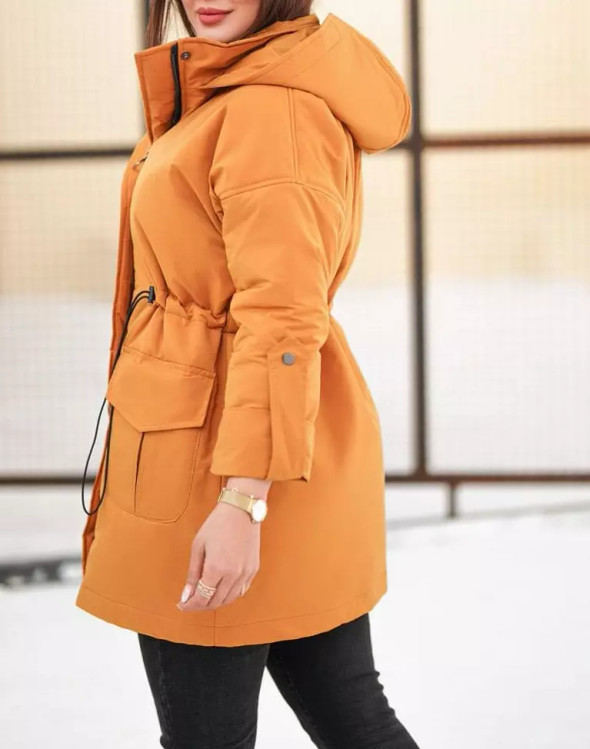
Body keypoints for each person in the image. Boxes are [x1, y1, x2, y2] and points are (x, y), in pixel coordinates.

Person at [76, 1, 420, 746]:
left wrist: (241, 502)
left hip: (218, 470)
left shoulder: (268, 109)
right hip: (229, 444)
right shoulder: (233, 88)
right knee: (352, 719)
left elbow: (282, 314)